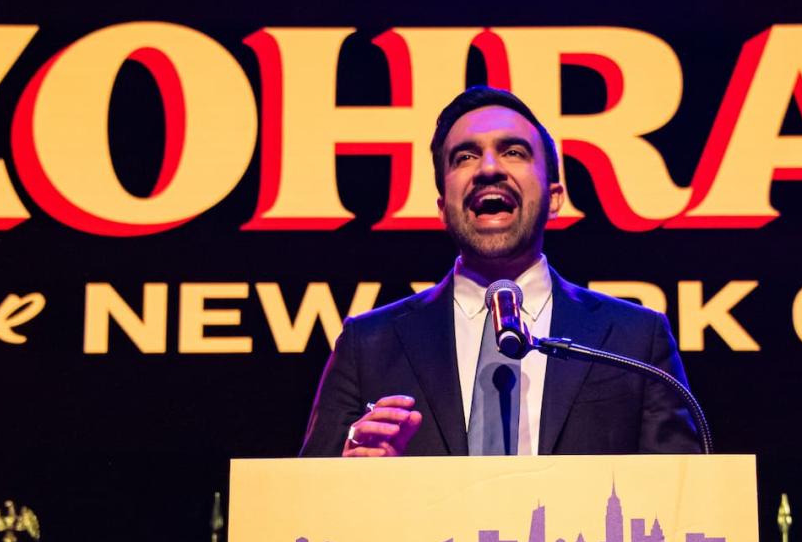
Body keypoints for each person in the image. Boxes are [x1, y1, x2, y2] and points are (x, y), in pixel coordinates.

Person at [298, 86, 700, 458]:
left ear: (554, 198)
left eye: (513, 152)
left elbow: (684, 502)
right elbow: (307, 502)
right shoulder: (367, 345)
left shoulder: (634, 341)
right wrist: (348, 467)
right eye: (465, 157)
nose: (488, 168)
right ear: (443, 208)